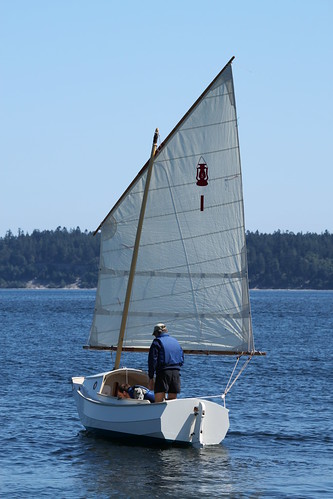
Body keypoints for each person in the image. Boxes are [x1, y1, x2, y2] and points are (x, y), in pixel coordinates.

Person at [148, 323, 184, 403]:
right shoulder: (175, 342)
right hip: (176, 372)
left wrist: (151, 378)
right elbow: (182, 358)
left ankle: (157, 414)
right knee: (172, 401)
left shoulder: (156, 342)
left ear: (157, 333)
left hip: (163, 372)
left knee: (159, 401)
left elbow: (152, 361)